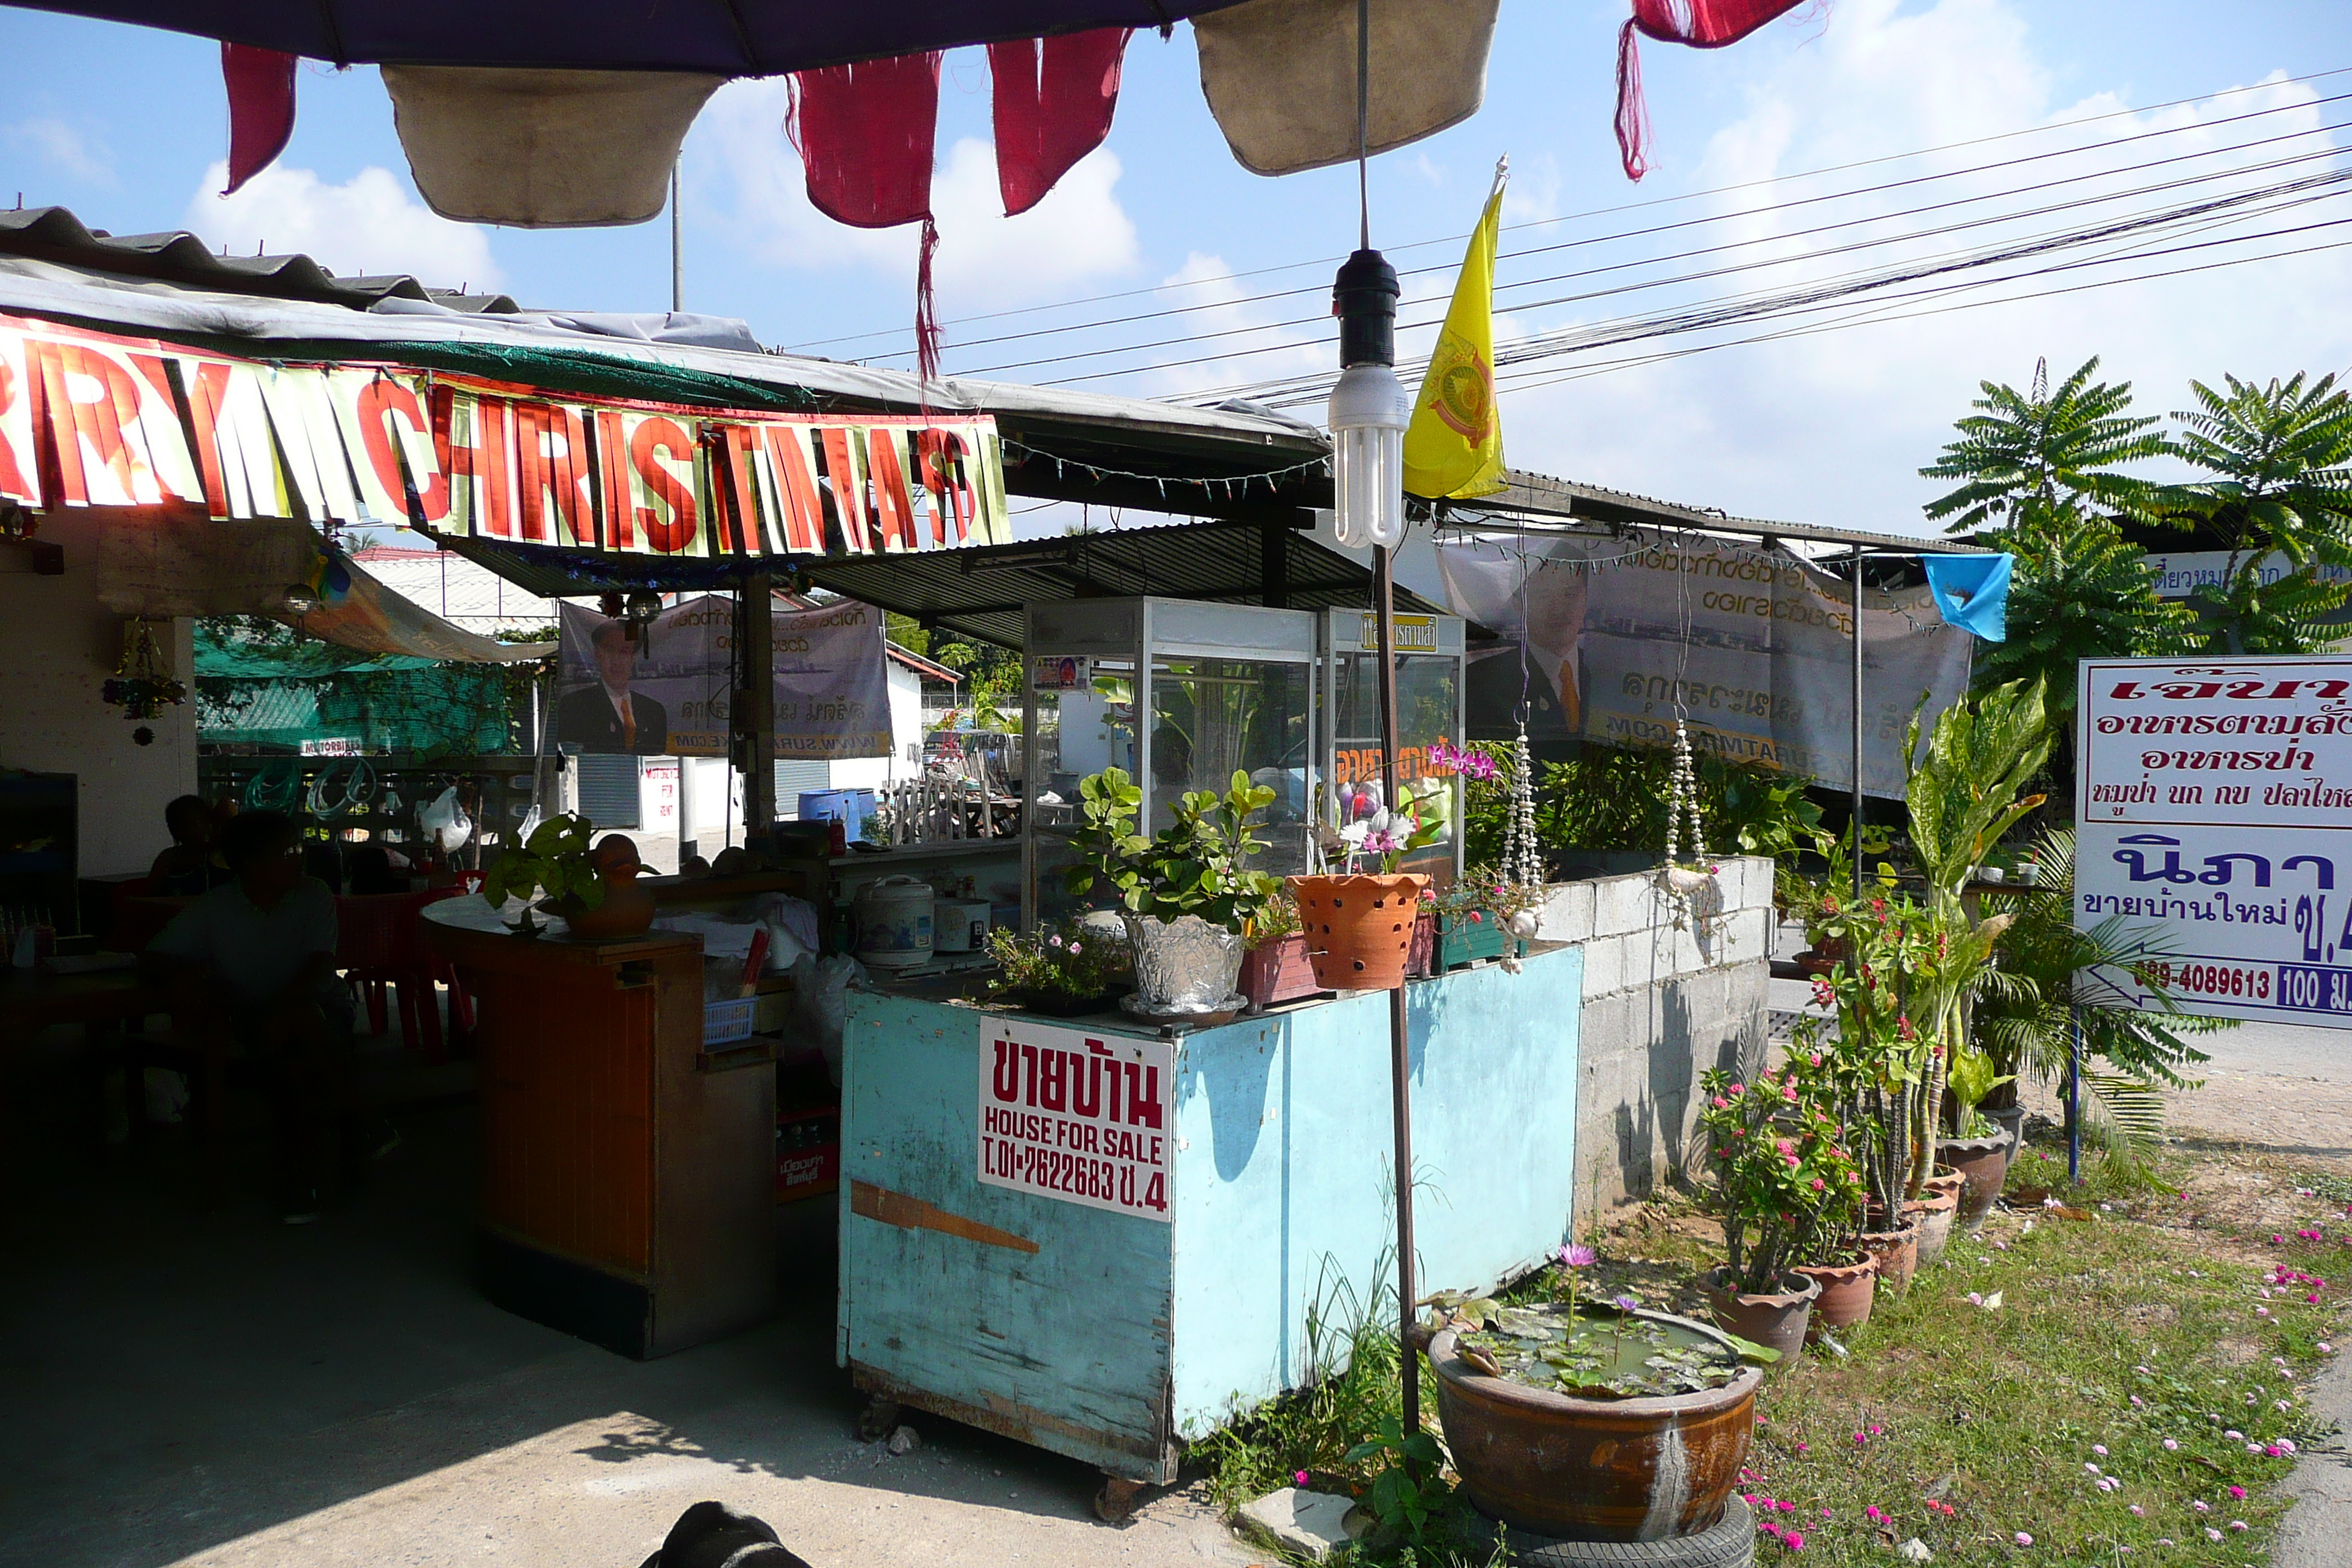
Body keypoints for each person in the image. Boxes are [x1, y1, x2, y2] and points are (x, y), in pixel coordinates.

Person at [143, 811, 386, 1223]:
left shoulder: (314, 894)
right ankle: (361, 1124)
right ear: (252, 863)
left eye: (299, 848)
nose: (299, 857)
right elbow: (155, 957)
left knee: (299, 1033)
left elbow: (320, 966)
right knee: (293, 1055)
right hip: (254, 1016)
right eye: (288, 851)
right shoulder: (216, 906)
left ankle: (300, 1183)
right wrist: (194, 978)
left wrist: (282, 1008)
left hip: (321, 1010)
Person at [556, 617, 669, 755]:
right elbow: (572, 751)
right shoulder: (575, 704)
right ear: (598, 654)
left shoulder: (653, 710)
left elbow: (659, 751)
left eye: (624, 651)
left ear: (633, 657)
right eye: (609, 650)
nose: (616, 661)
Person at [146, 794, 230, 895]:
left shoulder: (220, 855)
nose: (192, 830)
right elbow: (148, 894)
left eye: (199, 822)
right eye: (186, 824)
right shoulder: (167, 858)